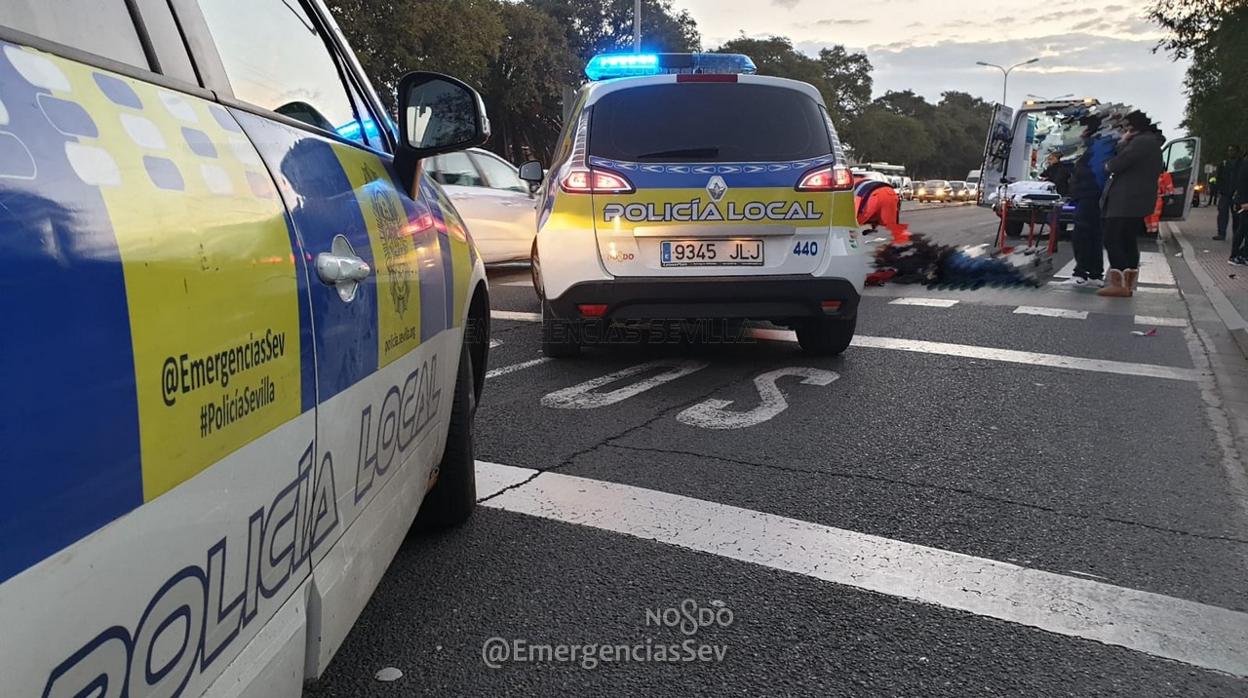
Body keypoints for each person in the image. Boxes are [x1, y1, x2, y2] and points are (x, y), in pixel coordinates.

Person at [1098, 111, 1164, 298]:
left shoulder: (1141, 143)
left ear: (1133, 127)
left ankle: (1119, 284)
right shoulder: (1150, 142)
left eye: (1126, 127)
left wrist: (1121, 143)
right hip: (1135, 200)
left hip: (1126, 200)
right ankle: (1127, 283)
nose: (1124, 130)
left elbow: (1116, 164)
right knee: (1127, 240)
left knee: (1112, 238)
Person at [1062, 115, 1113, 287]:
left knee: (1082, 235)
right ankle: (1095, 273)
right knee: (1093, 234)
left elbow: (1086, 171)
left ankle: (1082, 272)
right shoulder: (1099, 145)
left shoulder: (1092, 147)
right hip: (1091, 194)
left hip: (1088, 194)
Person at [1214, 145, 1242, 241]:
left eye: (1232, 150)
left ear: (1237, 152)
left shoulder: (1242, 163)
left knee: (1237, 215)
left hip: (1237, 194)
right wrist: (1220, 189)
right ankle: (1221, 233)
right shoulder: (1224, 163)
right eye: (1229, 150)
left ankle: (1236, 235)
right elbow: (1219, 177)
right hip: (1225, 194)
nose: (1230, 152)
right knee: (1222, 214)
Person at [1233, 155, 1248, 265]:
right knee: (1243, 230)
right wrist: (1243, 202)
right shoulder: (1245, 164)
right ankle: (1235, 255)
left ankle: (1242, 254)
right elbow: (1242, 183)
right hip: (1245, 203)